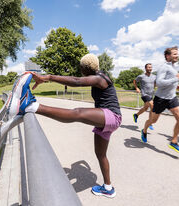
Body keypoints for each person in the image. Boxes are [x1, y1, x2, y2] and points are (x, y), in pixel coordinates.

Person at [8, 53, 122, 198]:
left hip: (111, 115)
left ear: (83, 69)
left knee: (78, 113)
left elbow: (76, 81)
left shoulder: (100, 78)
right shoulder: (99, 77)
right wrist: (81, 165)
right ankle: (108, 188)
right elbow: (79, 80)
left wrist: (48, 77)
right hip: (108, 119)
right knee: (101, 154)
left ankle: (31, 106)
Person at [141, 46, 179, 153]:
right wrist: (177, 78)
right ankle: (144, 130)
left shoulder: (174, 67)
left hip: (172, 98)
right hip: (160, 99)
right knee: (153, 120)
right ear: (168, 56)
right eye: (174, 54)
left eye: (177, 53)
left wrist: (176, 85)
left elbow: (169, 81)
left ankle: (174, 142)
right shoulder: (164, 67)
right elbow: (159, 82)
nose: (177, 55)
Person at [133, 63, 156, 131]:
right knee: (152, 105)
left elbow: (155, 83)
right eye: (149, 67)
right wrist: (137, 88)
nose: (150, 68)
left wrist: (154, 87)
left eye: (151, 67)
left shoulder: (154, 76)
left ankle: (136, 115)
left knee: (146, 108)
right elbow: (134, 81)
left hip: (151, 94)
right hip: (144, 94)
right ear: (145, 68)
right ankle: (150, 122)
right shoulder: (141, 76)